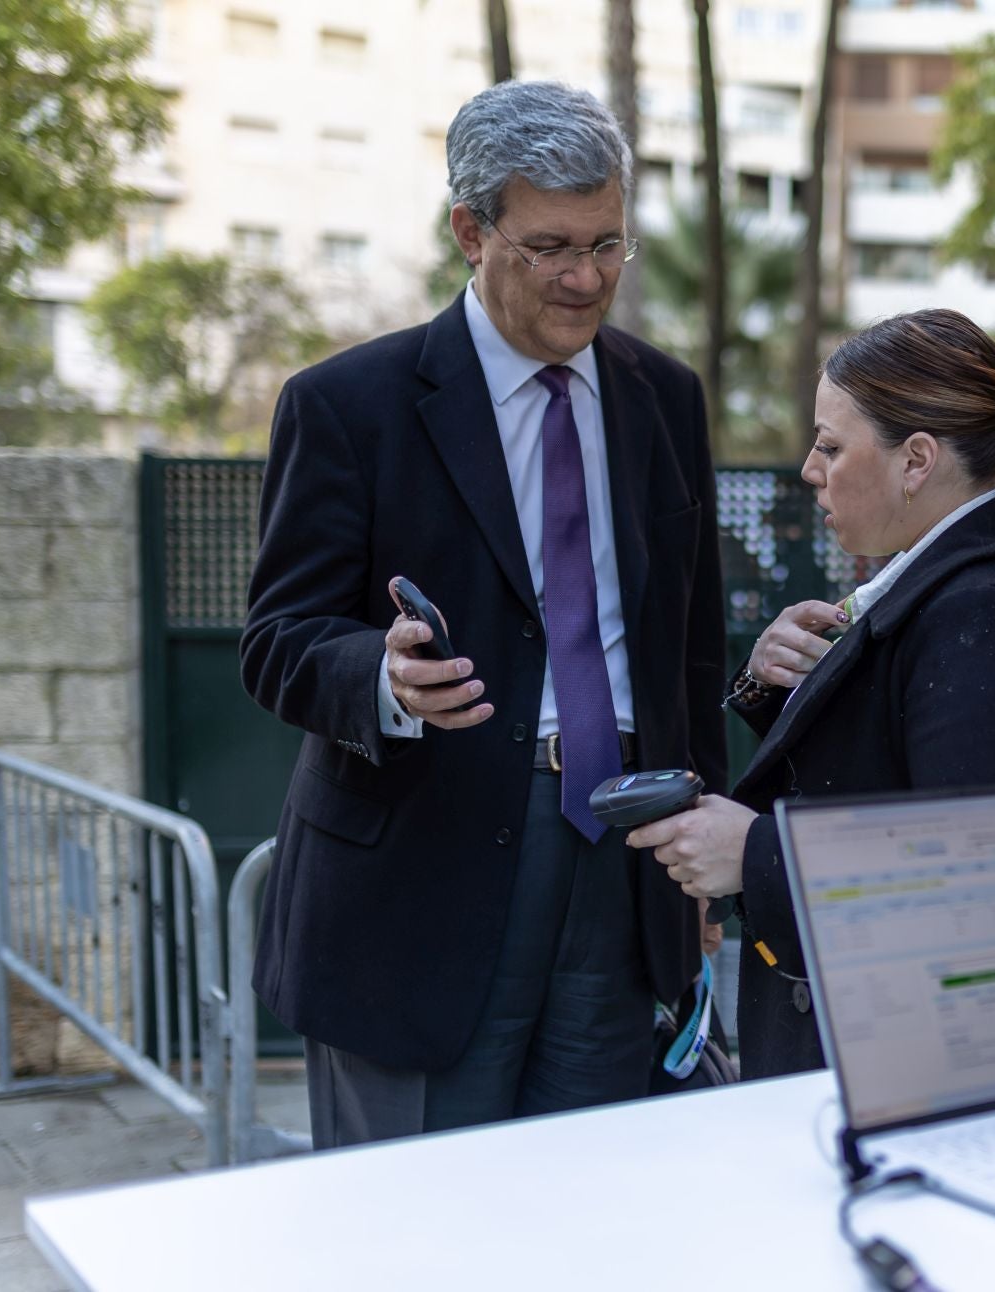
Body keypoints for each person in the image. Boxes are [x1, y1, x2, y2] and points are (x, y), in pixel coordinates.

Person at [240, 80, 726, 1147]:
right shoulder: (346, 405)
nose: (586, 277)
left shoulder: (666, 397)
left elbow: (689, 642)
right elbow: (277, 638)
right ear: (470, 229)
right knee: (417, 1229)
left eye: (608, 244)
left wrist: (700, 846)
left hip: (621, 859)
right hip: (417, 882)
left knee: (586, 1206)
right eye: (551, 245)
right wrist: (381, 673)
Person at [626, 309, 995, 1078]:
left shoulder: (981, 613)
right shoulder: (962, 586)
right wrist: (776, 685)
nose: (809, 470)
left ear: (916, 460)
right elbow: (879, 769)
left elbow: (966, 874)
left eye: (829, 445)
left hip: (902, 1069)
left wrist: (752, 853)